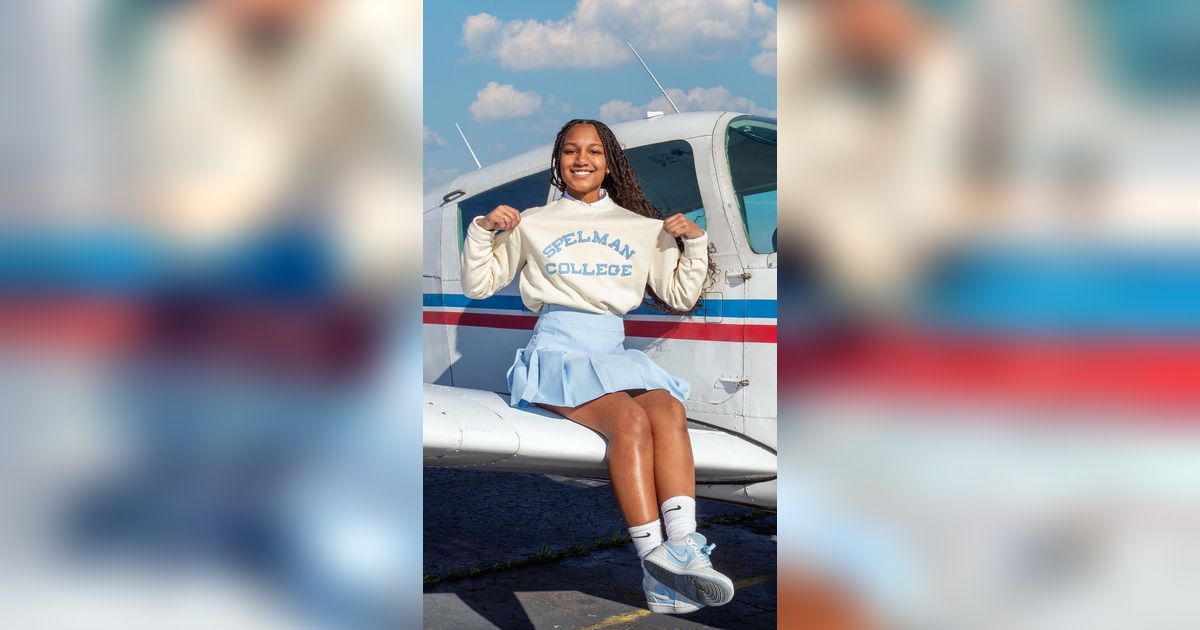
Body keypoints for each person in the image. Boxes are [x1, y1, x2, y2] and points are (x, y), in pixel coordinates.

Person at [461, 119, 734, 614]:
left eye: (592, 151)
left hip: (612, 353)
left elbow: (678, 294)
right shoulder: (533, 222)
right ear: (558, 161)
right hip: (557, 353)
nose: (581, 159)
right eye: (569, 150)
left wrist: (693, 243)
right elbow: (479, 285)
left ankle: (684, 548)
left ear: (609, 162)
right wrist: (483, 231)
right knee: (629, 421)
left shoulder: (640, 227)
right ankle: (653, 559)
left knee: (668, 410)